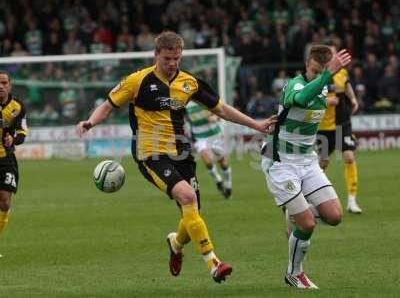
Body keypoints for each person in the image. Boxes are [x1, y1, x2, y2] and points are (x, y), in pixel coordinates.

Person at [76, 31, 276, 283]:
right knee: (188, 196)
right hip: (150, 154)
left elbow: (222, 109)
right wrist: (90, 122)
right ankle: (214, 263)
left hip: (182, 153)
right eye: (167, 58)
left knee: (192, 213)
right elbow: (107, 106)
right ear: (156, 55)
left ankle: (176, 243)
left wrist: (256, 125)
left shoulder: (189, 83)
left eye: (177, 58)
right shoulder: (136, 81)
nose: (172, 64)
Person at [260, 45, 351, 289]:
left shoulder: (323, 88)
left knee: (335, 216)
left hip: (307, 161)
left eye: (322, 70)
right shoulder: (294, 85)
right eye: (314, 69)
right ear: (306, 65)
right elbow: (299, 99)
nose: (318, 74)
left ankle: (296, 211)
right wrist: (326, 74)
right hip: (280, 162)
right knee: (307, 224)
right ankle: (294, 273)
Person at [317, 45, 362, 214]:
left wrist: (353, 98)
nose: (334, 55)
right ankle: (311, 195)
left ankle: (352, 201)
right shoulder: (318, 75)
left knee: (349, 157)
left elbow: (347, 85)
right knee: (322, 163)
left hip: (343, 121)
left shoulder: (342, 72)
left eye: (334, 52)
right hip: (323, 125)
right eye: (331, 53)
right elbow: (310, 97)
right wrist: (327, 102)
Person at [0, 71, 28, 257]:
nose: (0, 87)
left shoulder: (17, 106)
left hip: (5, 158)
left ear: (9, 85)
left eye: (4, 83)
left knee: (4, 201)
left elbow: (22, 132)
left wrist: (13, 140)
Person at [185, 100, 232, 198]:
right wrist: (186, 129)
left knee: (223, 163)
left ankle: (228, 185)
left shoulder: (205, 98)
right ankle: (218, 180)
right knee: (208, 162)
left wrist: (215, 117)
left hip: (215, 135)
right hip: (199, 137)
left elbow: (221, 111)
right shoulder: (184, 102)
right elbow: (184, 118)